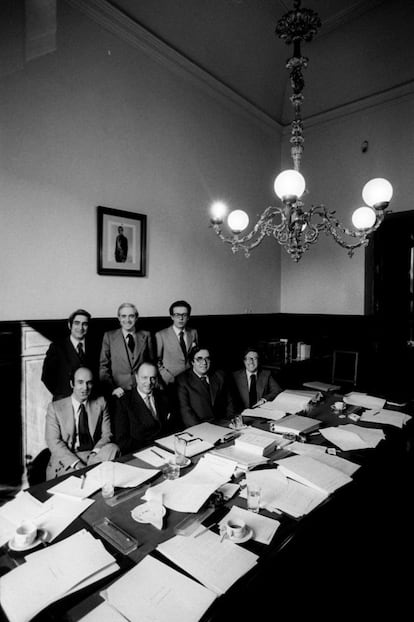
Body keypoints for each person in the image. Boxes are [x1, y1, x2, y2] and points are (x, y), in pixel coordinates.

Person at [45, 367, 119, 480]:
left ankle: (90, 474)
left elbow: (107, 434)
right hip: (68, 458)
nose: (85, 388)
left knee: (113, 448)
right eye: (80, 382)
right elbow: (53, 442)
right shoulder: (55, 407)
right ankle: (93, 474)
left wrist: (95, 452)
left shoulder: (101, 402)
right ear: (72, 383)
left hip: (93, 456)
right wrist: (77, 464)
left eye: (89, 383)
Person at [114, 362, 173, 454]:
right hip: (141, 453)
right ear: (136, 377)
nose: (149, 382)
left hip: (166, 449)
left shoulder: (163, 396)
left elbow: (172, 428)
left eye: (152, 378)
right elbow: (123, 441)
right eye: (144, 378)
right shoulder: (124, 402)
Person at [99, 303, 154, 398]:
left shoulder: (146, 336)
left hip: (142, 390)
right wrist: (112, 388)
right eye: (123, 316)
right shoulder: (109, 336)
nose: (127, 320)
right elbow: (103, 367)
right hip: (119, 392)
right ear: (119, 318)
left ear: (136, 318)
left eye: (131, 316)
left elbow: (151, 363)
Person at [41, 309, 97, 401]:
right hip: (64, 401)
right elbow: (46, 377)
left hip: (89, 402)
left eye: (85, 324)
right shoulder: (57, 347)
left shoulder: (95, 347)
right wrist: (62, 395)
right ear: (69, 325)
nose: (80, 328)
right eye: (77, 323)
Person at [175, 346, 235, 427]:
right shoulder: (182, 380)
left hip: (223, 424)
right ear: (192, 362)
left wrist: (229, 421)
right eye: (199, 359)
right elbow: (186, 412)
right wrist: (203, 431)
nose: (204, 362)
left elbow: (229, 402)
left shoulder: (219, 375)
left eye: (207, 358)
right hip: (199, 428)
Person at [155, 300, 198, 385]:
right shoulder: (161, 335)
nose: (181, 318)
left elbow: (195, 356)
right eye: (177, 315)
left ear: (188, 317)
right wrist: (167, 377)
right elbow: (157, 361)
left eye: (184, 315)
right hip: (171, 381)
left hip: (190, 380)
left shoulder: (193, 332)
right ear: (172, 316)